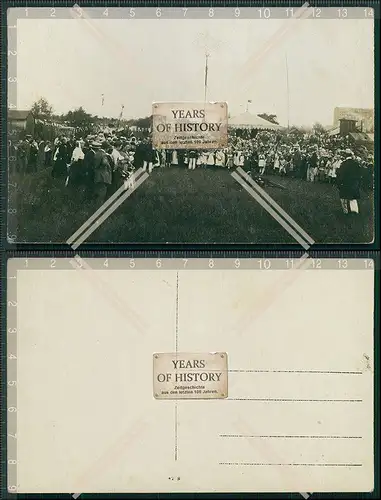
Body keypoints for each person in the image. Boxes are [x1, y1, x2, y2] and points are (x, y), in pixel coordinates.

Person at [336, 149, 362, 216]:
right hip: (354, 183)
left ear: (345, 155)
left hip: (345, 183)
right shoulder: (356, 163)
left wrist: (339, 183)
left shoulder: (343, 164)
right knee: (352, 198)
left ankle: (346, 211)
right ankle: (354, 211)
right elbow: (359, 174)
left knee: (343, 197)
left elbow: (341, 175)